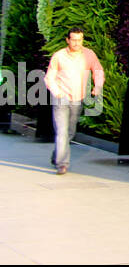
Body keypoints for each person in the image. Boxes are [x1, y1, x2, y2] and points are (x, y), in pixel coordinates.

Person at [43, 28, 104, 175]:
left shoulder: (89, 54)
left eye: (79, 40)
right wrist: (57, 92)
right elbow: (49, 77)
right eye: (74, 40)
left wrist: (98, 85)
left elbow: (98, 70)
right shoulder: (59, 56)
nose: (77, 43)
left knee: (70, 132)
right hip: (61, 98)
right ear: (68, 40)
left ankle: (57, 154)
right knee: (62, 132)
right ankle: (62, 164)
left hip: (78, 98)